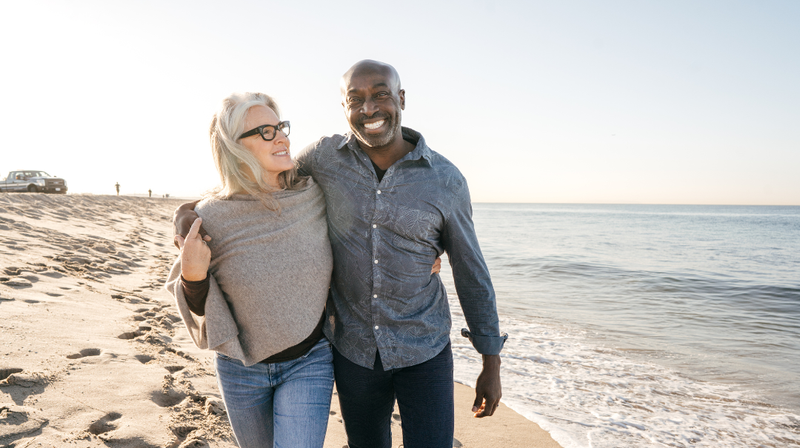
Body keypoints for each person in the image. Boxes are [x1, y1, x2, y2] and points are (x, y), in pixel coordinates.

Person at [175, 60, 506, 448]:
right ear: (344, 107)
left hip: (424, 347)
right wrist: (186, 212)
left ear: (401, 98)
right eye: (356, 99)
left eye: (381, 94)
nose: (369, 109)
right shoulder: (323, 159)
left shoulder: (445, 180)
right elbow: (257, 180)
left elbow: (471, 271)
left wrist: (490, 360)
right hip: (354, 352)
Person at [165, 92, 335, 448]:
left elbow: (367, 214)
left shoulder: (314, 196)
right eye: (265, 132)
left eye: (281, 127)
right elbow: (200, 309)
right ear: (233, 147)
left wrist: (420, 252)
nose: (282, 138)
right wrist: (192, 275)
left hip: (309, 360)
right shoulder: (212, 217)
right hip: (240, 369)